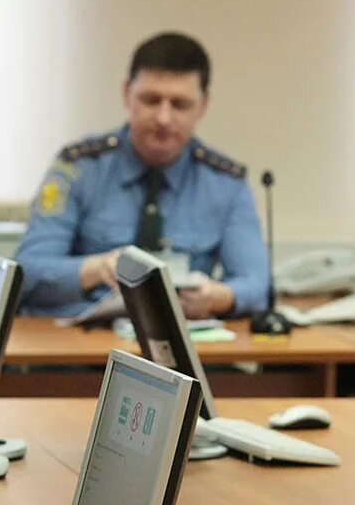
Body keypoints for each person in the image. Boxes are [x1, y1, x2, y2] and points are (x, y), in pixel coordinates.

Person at [15, 32, 269, 320]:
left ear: (203, 105)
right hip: (79, 350)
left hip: (181, 352)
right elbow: (27, 272)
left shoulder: (225, 183)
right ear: (126, 94)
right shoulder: (78, 167)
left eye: (179, 104)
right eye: (150, 100)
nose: (163, 118)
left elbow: (257, 285)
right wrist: (96, 269)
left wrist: (217, 298)